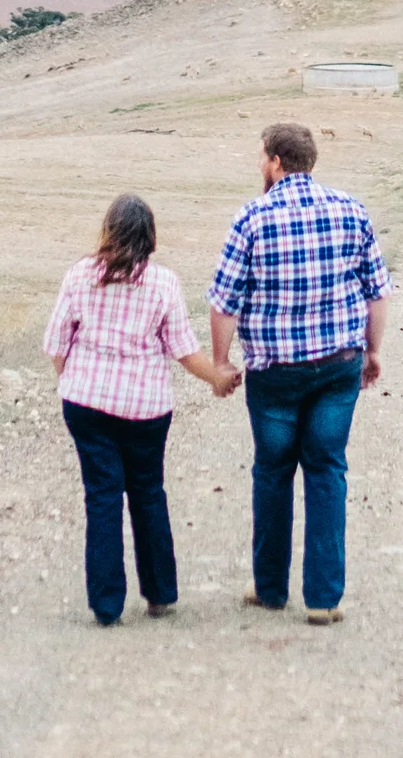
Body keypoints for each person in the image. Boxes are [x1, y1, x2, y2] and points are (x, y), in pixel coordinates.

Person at [208, 122, 391, 624]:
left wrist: (222, 362)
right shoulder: (352, 211)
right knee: (327, 468)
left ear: (275, 163)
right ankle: (324, 598)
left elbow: (225, 303)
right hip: (338, 365)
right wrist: (372, 352)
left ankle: (270, 588)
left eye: (261, 157)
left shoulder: (251, 217)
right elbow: (377, 291)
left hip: (275, 373)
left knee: (272, 471)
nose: (259, 166)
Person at [44, 193, 240, 626]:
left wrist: (73, 380)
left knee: (102, 497)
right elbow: (184, 351)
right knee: (148, 493)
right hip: (146, 408)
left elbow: (57, 344)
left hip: (86, 402)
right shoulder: (163, 283)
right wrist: (219, 377)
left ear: (107, 231)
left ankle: (107, 604)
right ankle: (160, 593)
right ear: (151, 236)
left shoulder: (79, 276)